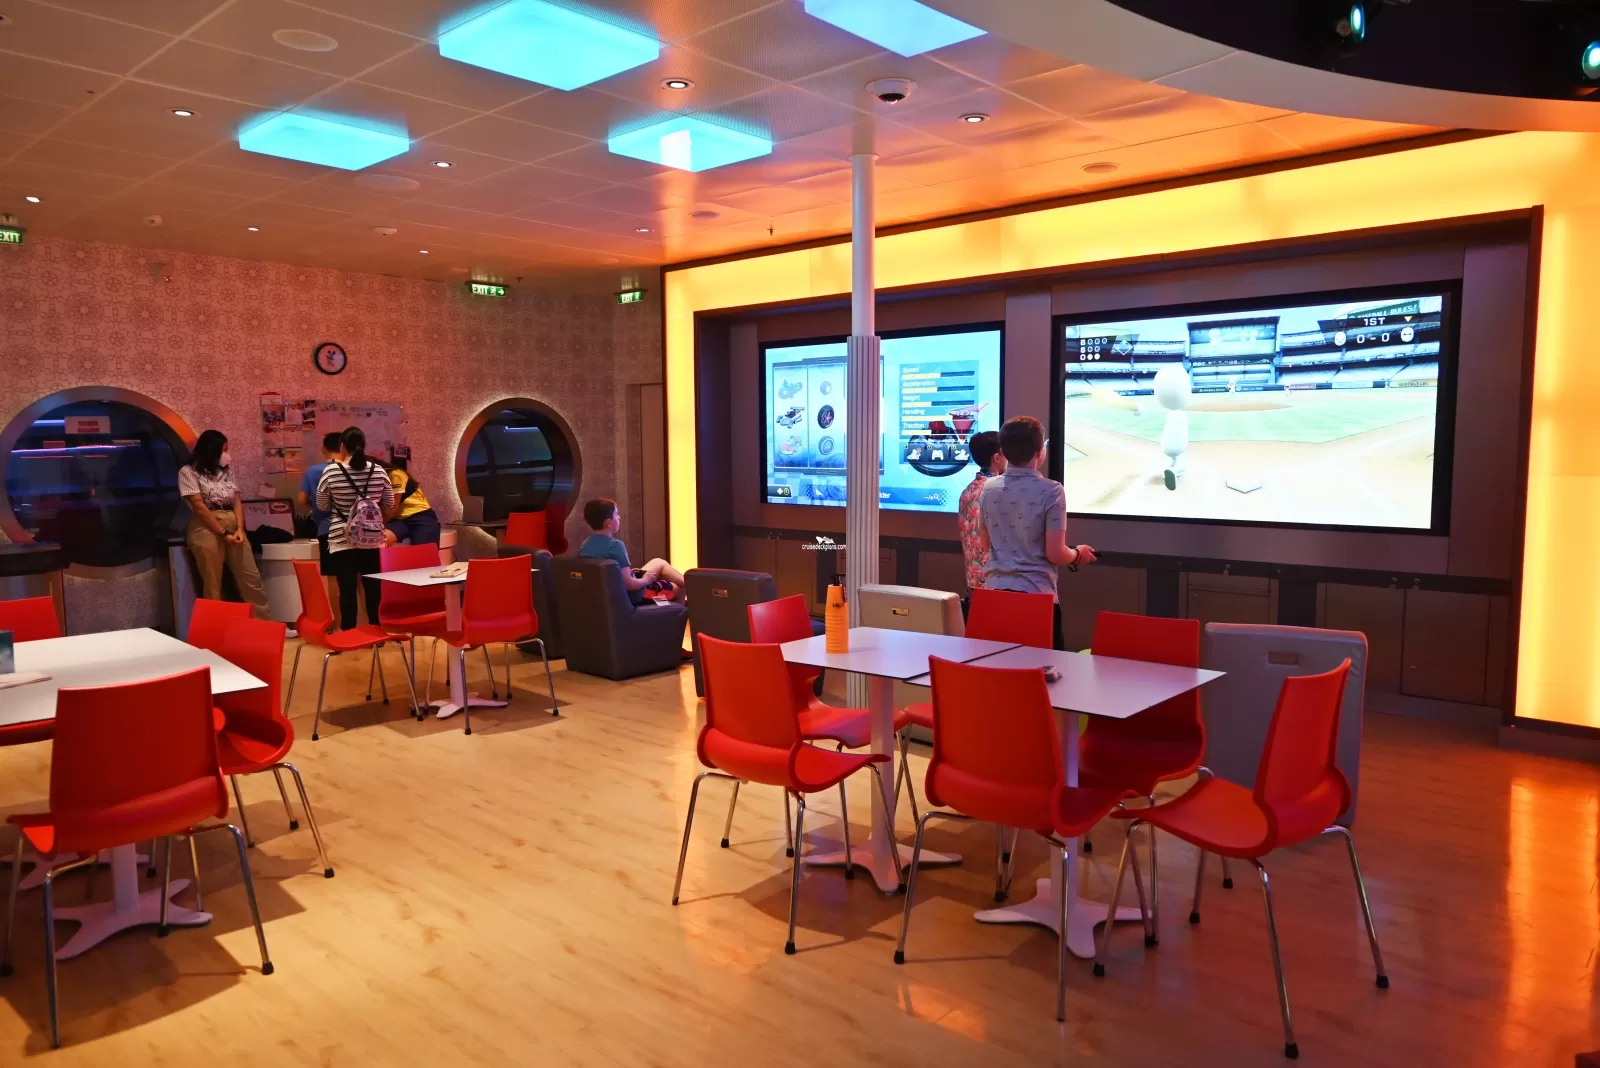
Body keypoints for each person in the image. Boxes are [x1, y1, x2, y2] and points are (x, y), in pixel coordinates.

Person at [979, 416, 1096, 649]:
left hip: (993, 596)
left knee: (995, 667)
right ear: (1040, 452)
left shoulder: (988, 488)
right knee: (1046, 671)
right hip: (1036, 599)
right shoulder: (1052, 491)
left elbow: (984, 544)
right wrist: (1078, 554)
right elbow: (1055, 553)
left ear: (1003, 452)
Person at [180, 429, 270, 618]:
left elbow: (237, 500)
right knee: (213, 582)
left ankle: (265, 624)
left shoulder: (226, 471)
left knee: (251, 578)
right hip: (206, 526)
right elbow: (198, 506)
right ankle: (217, 628)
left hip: (232, 522)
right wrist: (222, 533)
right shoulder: (188, 472)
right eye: (224, 450)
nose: (227, 455)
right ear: (211, 450)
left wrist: (240, 529)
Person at [316, 426, 394, 629]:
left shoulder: (331, 471)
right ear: (363, 446)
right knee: (373, 588)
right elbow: (389, 502)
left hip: (342, 538)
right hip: (372, 538)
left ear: (342, 446)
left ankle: (349, 633)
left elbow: (322, 505)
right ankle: (376, 630)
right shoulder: (378, 470)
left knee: (347, 589)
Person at [577, 498, 685, 604]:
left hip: (609, 593)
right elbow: (630, 585)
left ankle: (692, 583)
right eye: (616, 514)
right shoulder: (615, 546)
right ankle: (678, 604)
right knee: (678, 588)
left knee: (658, 562)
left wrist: (625, 572)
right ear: (608, 523)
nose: (619, 517)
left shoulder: (585, 545)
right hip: (635, 596)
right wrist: (647, 579)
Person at [957, 430, 1004, 615]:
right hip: (995, 585)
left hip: (974, 585)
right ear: (997, 458)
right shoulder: (997, 491)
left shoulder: (967, 491)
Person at [298, 430, 343, 609]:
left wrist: (316, 507)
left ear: (323, 448)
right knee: (358, 578)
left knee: (334, 578)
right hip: (355, 530)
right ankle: (364, 622)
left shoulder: (314, 471)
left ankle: (339, 623)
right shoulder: (353, 469)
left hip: (327, 529)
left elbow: (302, 500)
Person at [382, 446, 440, 546]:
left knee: (425, 554)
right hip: (400, 520)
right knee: (379, 541)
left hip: (420, 516)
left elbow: (393, 507)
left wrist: (380, 524)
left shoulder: (395, 474)